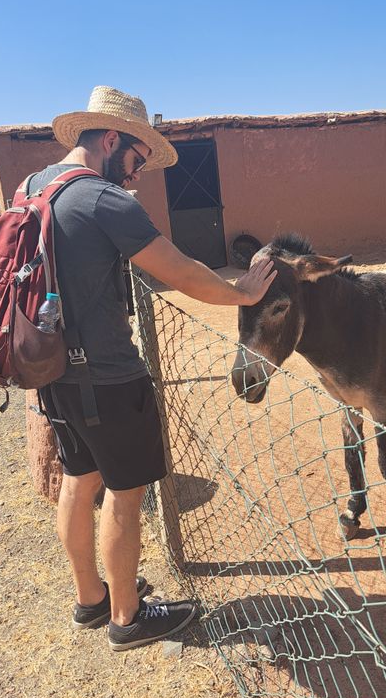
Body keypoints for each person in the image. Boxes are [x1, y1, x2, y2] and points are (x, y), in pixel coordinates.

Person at [33, 86, 276, 652]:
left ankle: (90, 598)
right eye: (139, 157)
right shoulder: (101, 199)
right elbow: (183, 272)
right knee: (124, 492)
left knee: (78, 479)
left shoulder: (34, 187)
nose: (140, 171)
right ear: (112, 138)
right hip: (109, 377)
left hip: (51, 371)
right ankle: (128, 617)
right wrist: (241, 294)